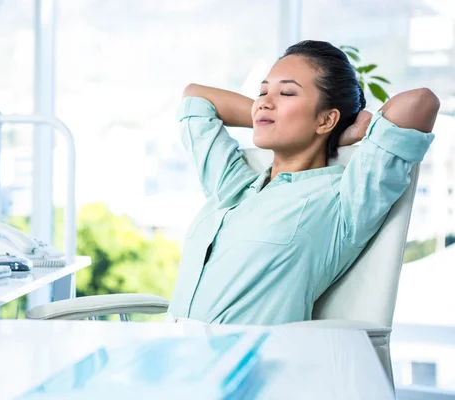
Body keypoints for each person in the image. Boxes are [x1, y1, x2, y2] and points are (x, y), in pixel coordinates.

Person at [168, 40, 439, 325]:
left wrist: (345, 132)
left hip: (246, 362)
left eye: (286, 92)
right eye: (263, 91)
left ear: (326, 119)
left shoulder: (344, 202)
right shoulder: (233, 184)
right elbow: (195, 99)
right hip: (178, 352)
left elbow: (420, 102)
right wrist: (275, 117)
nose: (264, 101)